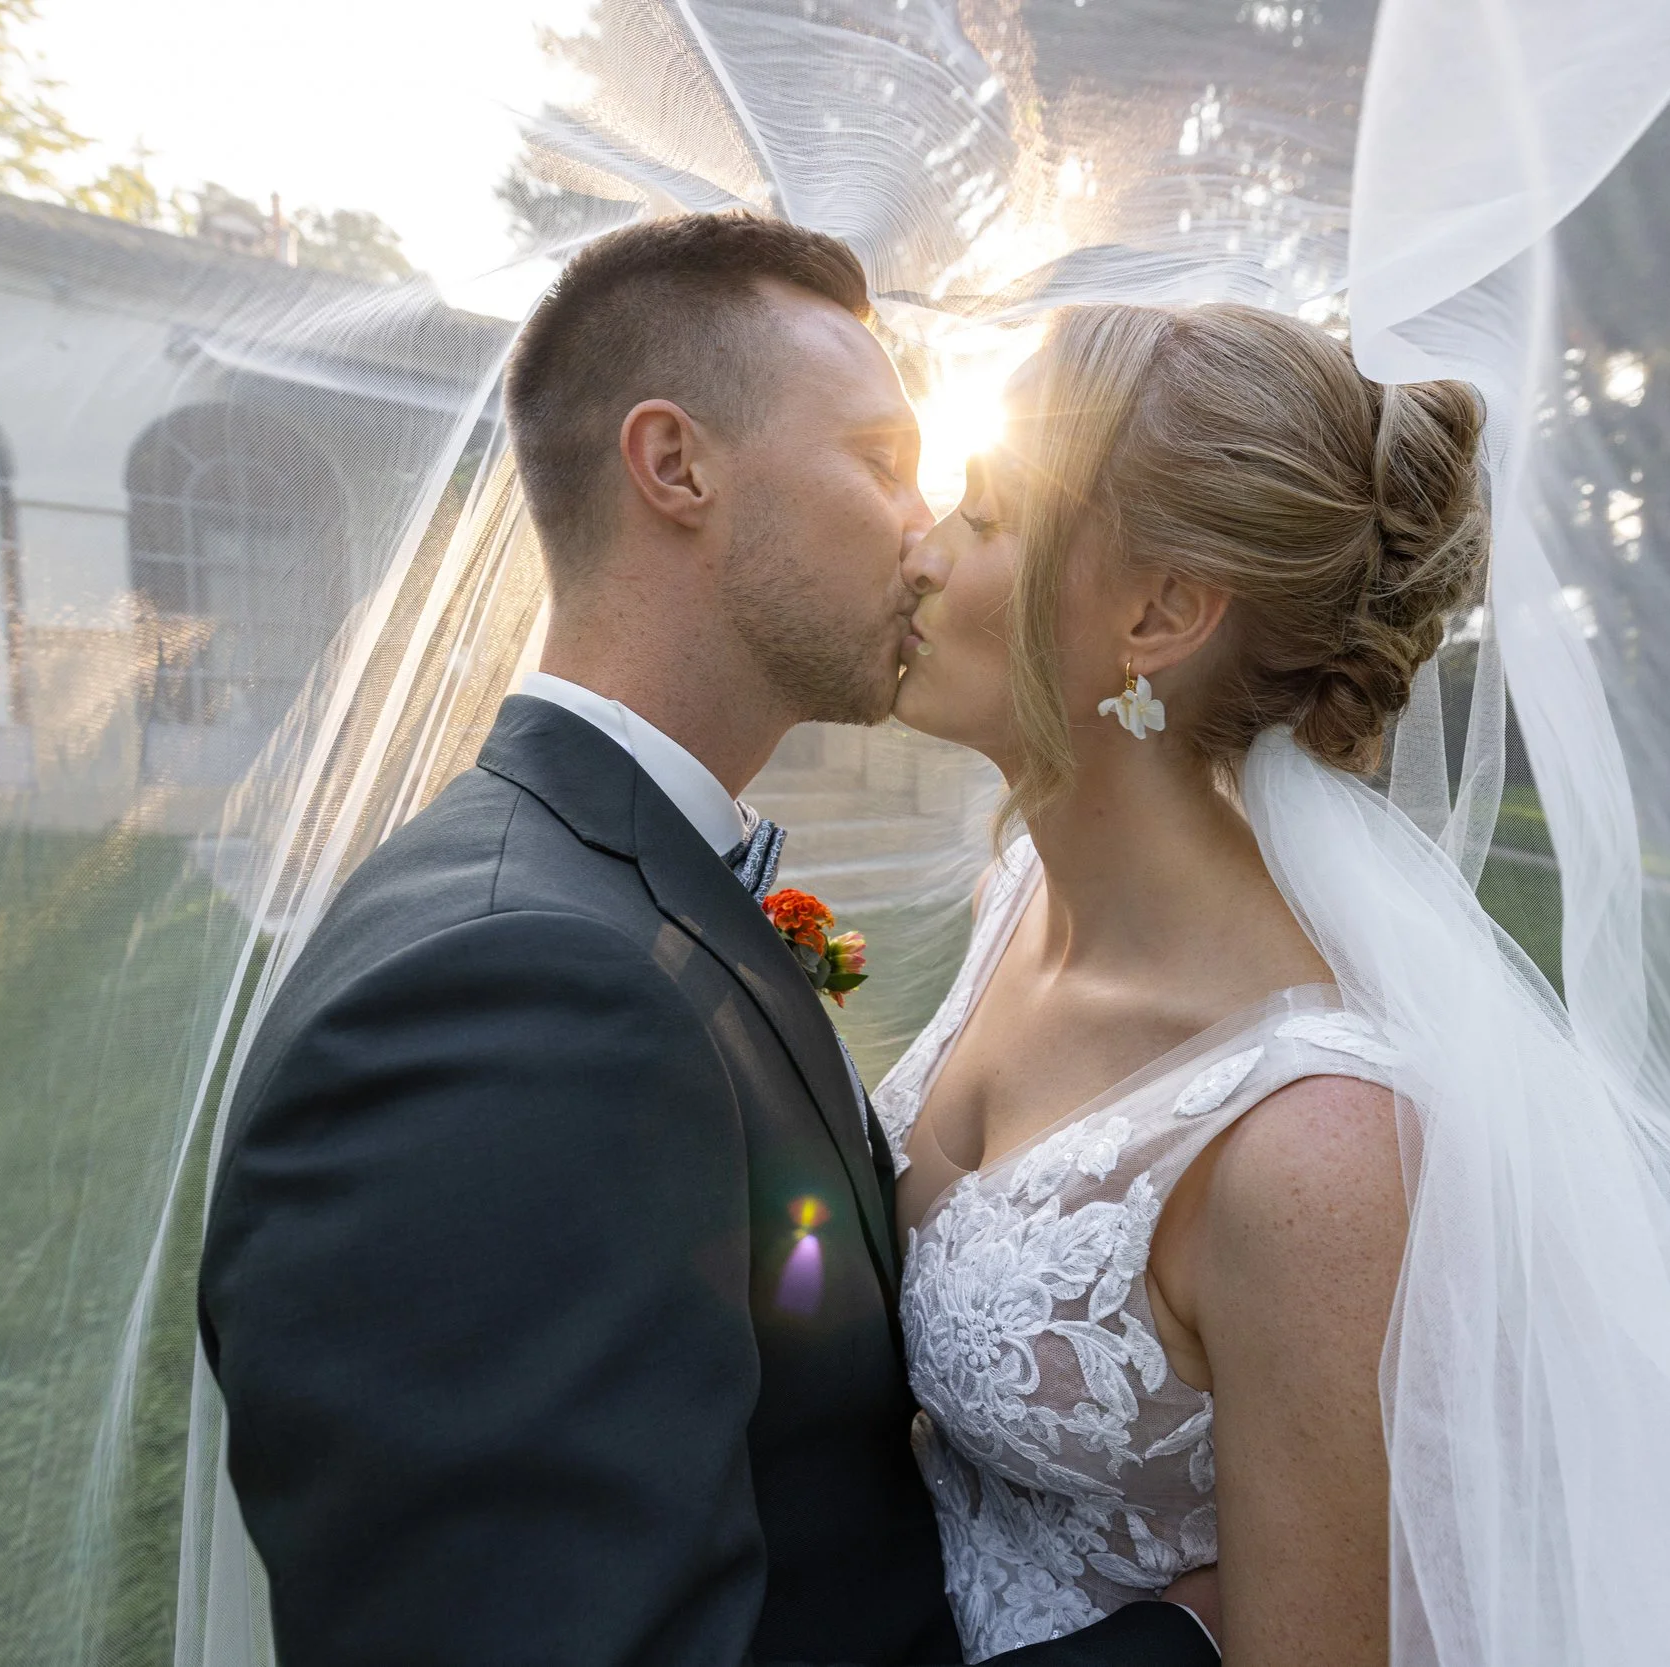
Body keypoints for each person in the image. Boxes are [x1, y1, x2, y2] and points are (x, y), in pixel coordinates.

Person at [882, 303, 1670, 1665]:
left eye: (983, 514)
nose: (916, 552)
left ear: (1157, 613)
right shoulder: (1014, 898)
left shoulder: (1310, 1150)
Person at [197, 215, 1221, 1666]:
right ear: (676, 466)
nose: (924, 533)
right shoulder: (506, 1006)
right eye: (880, 462)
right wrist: (1191, 1637)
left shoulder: (621, 893)